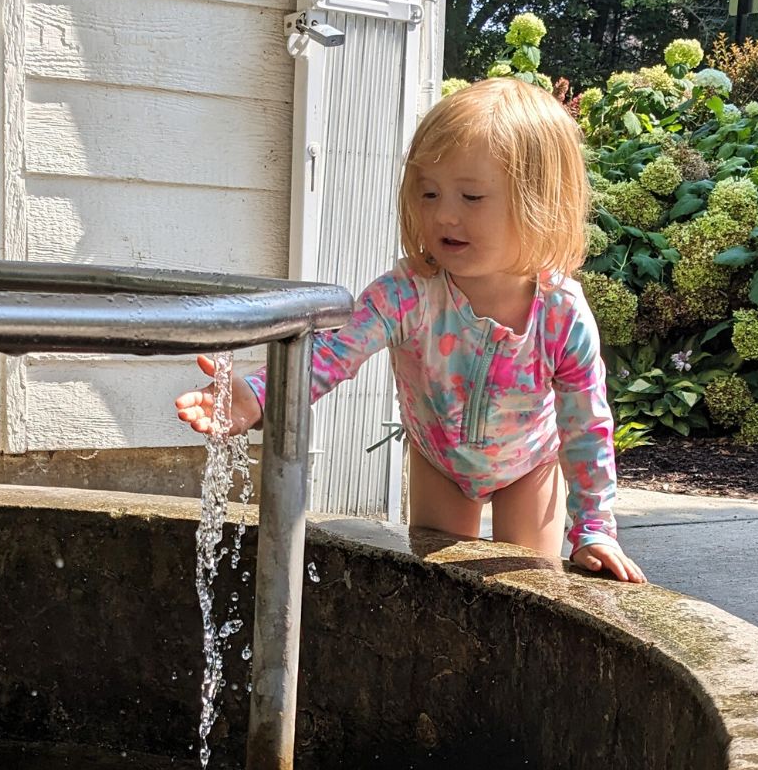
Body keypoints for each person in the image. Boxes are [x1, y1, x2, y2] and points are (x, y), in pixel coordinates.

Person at [174, 77, 644, 582]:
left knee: (529, 584)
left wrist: (594, 527)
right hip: (439, 460)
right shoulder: (408, 293)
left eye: (471, 196)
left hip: (529, 463)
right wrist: (262, 394)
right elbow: (332, 352)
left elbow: (586, 424)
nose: (443, 214)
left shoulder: (559, 313)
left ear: (539, 203)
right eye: (429, 192)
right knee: (441, 581)